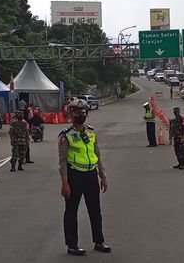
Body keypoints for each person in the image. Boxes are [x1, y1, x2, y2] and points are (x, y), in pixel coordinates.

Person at [59, 99, 111, 256]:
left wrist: (103, 176)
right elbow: (62, 162)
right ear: (71, 115)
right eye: (77, 113)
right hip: (74, 176)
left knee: (95, 210)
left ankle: (99, 241)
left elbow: (97, 155)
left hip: (90, 175)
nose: (80, 115)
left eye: (83, 113)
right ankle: (72, 245)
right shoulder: (66, 135)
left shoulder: (91, 132)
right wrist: (64, 183)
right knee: (71, 211)